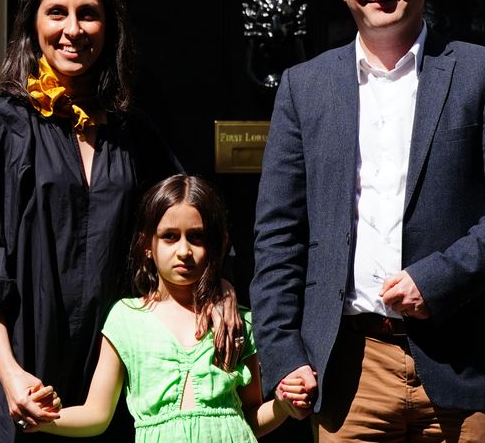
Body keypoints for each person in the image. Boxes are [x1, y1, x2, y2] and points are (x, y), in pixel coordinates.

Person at [250, 0, 485, 442]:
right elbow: (279, 234)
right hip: (349, 372)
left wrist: (436, 280)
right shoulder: (304, 87)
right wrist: (283, 352)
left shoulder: (484, 74)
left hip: (464, 367)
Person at [0, 0, 240, 442]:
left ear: (108, 27)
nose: (72, 29)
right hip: (12, 372)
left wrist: (219, 287)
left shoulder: (131, 132)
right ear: (32, 23)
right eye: (57, 12)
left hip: (106, 376)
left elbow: (187, 220)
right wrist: (9, 374)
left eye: (88, 14)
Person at [38, 174, 306, 441]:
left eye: (196, 237)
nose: (184, 251)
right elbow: (96, 414)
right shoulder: (126, 319)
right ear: (147, 245)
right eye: (169, 236)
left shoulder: (236, 321)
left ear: (215, 244)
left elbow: (251, 417)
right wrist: (43, 418)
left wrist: (282, 405)